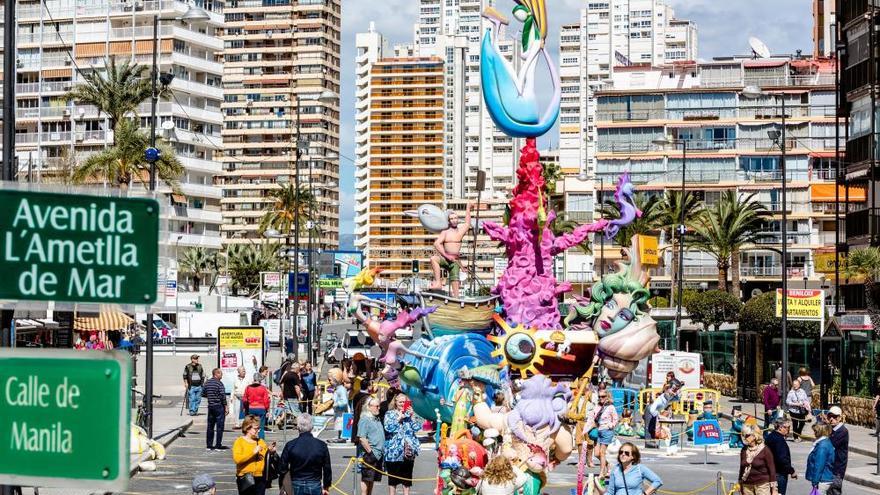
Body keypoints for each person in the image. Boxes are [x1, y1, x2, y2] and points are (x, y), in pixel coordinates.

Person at [278, 414, 332, 495]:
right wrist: (326, 486)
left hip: (296, 482)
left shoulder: (290, 445)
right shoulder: (321, 445)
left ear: (298, 427)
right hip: (314, 482)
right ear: (312, 427)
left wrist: (283, 485)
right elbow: (327, 468)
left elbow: (282, 468)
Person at [429, 201, 473, 297]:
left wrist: (468, 208)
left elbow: (467, 223)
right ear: (449, 221)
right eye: (451, 219)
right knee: (433, 259)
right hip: (445, 258)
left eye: (455, 218)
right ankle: (438, 282)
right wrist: (446, 255)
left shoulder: (460, 232)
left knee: (456, 287)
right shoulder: (445, 232)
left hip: (455, 262)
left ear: (458, 219)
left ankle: (456, 300)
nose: (454, 220)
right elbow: (437, 243)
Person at [384, 394, 420, 495]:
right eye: (400, 402)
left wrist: (412, 416)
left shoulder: (409, 415)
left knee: (407, 480)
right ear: (395, 402)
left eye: (404, 402)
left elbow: (417, 428)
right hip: (393, 451)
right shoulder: (389, 414)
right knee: (393, 480)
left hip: (408, 451)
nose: (402, 404)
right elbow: (388, 428)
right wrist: (398, 419)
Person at [233, 415, 276, 495]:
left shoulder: (261, 441)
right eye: (255, 429)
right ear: (248, 428)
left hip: (260, 477)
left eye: (258, 428)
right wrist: (253, 452)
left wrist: (270, 451)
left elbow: (264, 457)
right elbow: (237, 459)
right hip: (246, 477)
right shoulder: (239, 442)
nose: (258, 431)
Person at [738, 425, 778, 495]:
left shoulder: (765, 450)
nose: (744, 437)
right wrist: (740, 484)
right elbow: (742, 468)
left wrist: (774, 489)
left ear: (754, 436)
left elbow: (772, 470)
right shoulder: (744, 450)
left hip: (762, 486)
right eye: (744, 435)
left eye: (747, 435)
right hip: (747, 485)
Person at [357, 398, 385, 495]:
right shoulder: (365, 419)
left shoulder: (376, 418)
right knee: (366, 479)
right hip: (369, 454)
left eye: (379, 406)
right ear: (369, 407)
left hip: (378, 454)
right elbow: (362, 438)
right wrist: (370, 452)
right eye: (376, 406)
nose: (378, 408)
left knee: (372, 479)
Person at [764, 418, 796, 495]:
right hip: (779, 474)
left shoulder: (770, 436)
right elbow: (782, 459)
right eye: (787, 427)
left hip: (770, 472)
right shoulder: (779, 440)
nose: (789, 430)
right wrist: (791, 471)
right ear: (780, 427)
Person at [593, 389, 619, 478]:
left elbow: (616, 419)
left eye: (603, 396)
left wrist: (611, 425)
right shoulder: (597, 406)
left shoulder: (610, 407)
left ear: (607, 397)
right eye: (599, 396)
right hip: (598, 431)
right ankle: (607, 465)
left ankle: (601, 473)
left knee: (602, 453)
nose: (601, 398)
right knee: (596, 454)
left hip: (606, 431)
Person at [203, 368, 229, 451]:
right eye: (220, 374)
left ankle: (209, 445)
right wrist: (226, 406)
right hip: (219, 406)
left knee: (210, 426)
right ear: (216, 374)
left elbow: (203, 393)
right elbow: (222, 396)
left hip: (211, 406)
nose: (222, 375)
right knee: (219, 427)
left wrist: (210, 397)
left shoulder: (207, 383)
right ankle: (218, 445)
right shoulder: (219, 384)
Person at [806, 422, 835, 494]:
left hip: (822, 480)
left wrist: (815, 481)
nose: (814, 433)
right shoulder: (825, 442)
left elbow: (819, 465)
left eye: (815, 431)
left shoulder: (822, 446)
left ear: (820, 432)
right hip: (825, 478)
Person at [826, 406, 849, 495]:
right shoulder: (833, 429)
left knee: (834, 491)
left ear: (839, 418)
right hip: (831, 468)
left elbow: (829, 445)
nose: (831, 419)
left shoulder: (842, 431)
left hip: (837, 470)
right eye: (830, 416)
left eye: (834, 417)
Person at [242, 372, 271, 439]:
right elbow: (266, 400)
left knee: (250, 426)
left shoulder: (248, 388)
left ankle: (250, 440)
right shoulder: (263, 388)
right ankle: (261, 441)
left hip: (251, 408)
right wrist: (267, 409)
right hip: (261, 409)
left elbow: (245, 400)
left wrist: (246, 408)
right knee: (261, 427)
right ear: (260, 379)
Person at [280, 362, 303, 427]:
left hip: (286, 396)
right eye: (299, 369)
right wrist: (299, 397)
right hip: (293, 396)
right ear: (296, 368)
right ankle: (299, 425)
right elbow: (297, 387)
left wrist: (282, 393)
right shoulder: (295, 376)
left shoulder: (286, 374)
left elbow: (282, 384)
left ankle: (281, 420)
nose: (299, 370)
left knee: (288, 410)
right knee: (297, 411)